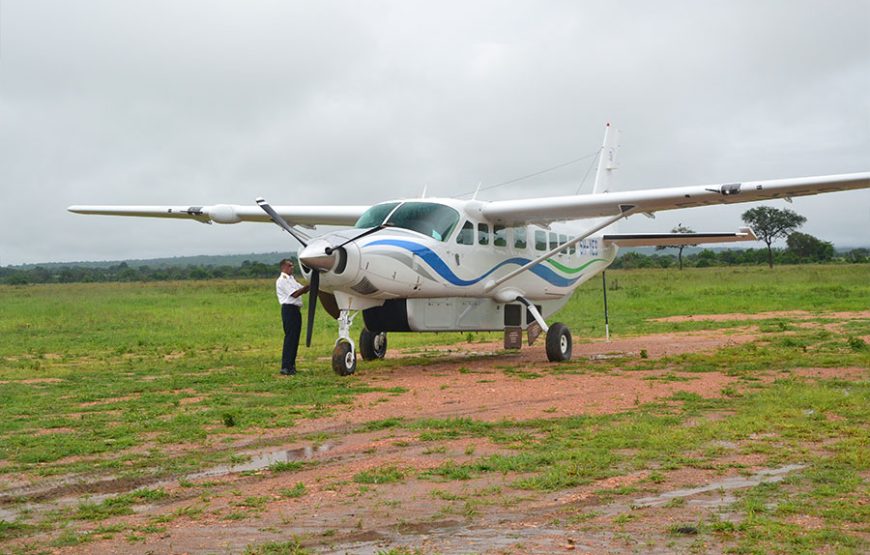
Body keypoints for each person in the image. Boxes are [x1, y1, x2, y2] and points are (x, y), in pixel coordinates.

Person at [276, 259, 309, 376]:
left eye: (292, 266)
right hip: (289, 309)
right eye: (290, 266)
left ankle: (291, 366)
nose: (292, 267)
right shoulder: (282, 281)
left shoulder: (291, 279)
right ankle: (285, 366)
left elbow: (302, 289)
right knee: (290, 338)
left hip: (295, 310)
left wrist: (312, 285)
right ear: (283, 267)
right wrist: (308, 286)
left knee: (295, 338)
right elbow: (295, 293)